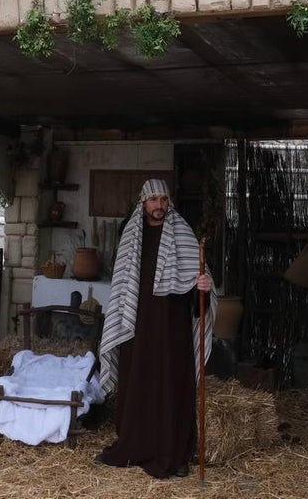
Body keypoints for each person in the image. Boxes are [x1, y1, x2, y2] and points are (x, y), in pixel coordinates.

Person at [97, 178, 216, 480]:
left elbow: (197, 282)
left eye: (164, 199)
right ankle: (135, 447)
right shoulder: (131, 237)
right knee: (138, 382)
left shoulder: (183, 234)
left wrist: (202, 287)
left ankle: (175, 453)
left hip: (172, 328)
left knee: (173, 385)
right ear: (143, 203)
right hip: (137, 327)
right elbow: (122, 282)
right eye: (153, 200)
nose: (159, 206)